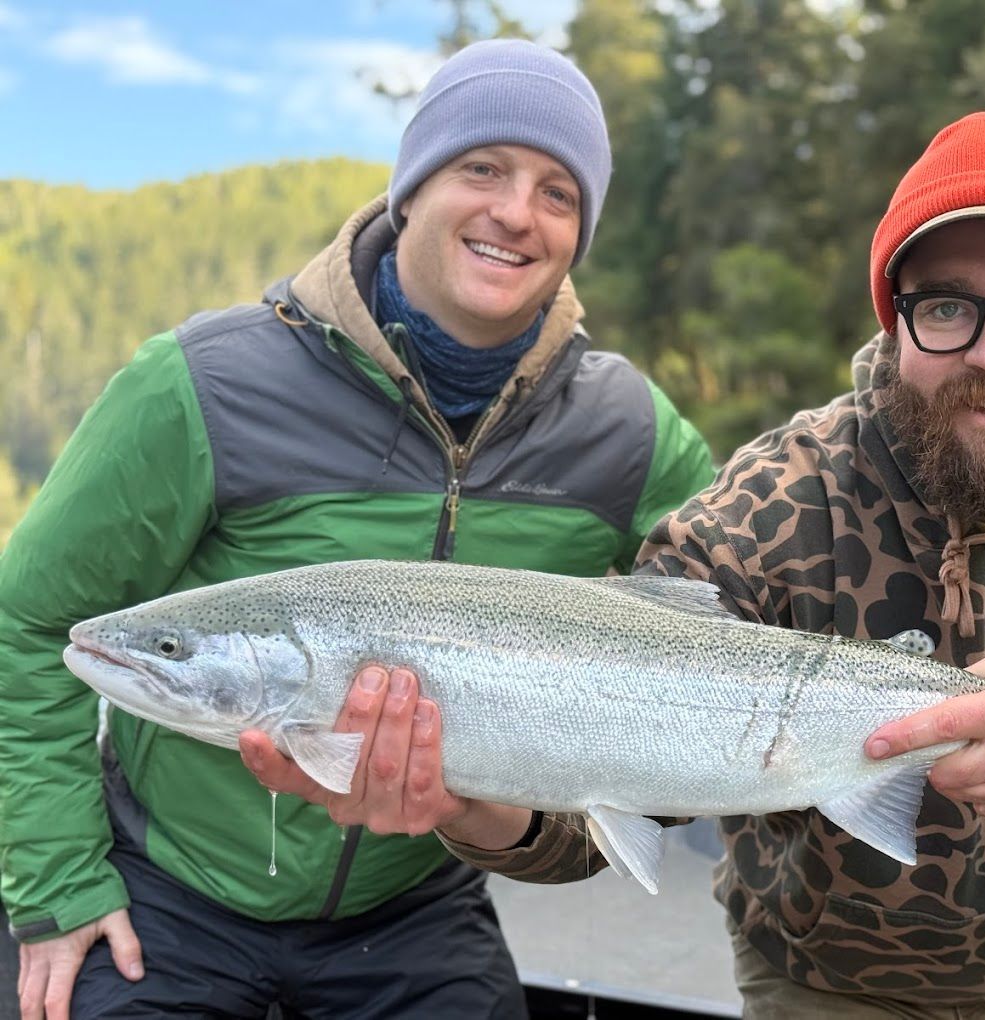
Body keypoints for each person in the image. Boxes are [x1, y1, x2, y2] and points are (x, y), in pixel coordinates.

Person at [253, 111, 985, 1017]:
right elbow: (582, 841)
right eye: (944, 308)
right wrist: (465, 802)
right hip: (813, 979)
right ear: (895, 324)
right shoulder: (780, 497)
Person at [0, 38, 713, 1019]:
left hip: (414, 905)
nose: (517, 211)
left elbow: (752, 621)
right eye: (483, 168)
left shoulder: (630, 432)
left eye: (559, 193)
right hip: (168, 895)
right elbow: (32, 622)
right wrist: (57, 888)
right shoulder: (199, 384)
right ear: (411, 187)